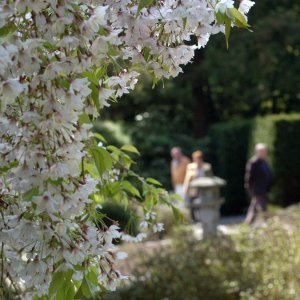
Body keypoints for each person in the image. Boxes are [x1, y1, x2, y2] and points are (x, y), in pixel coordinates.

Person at [244, 143, 272, 224]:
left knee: (254, 206)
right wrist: (248, 186)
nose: (265, 153)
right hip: (257, 188)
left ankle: (248, 222)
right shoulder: (254, 162)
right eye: (263, 151)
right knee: (262, 206)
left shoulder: (264, 161)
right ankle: (267, 222)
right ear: (258, 152)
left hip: (264, 188)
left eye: (265, 151)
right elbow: (249, 176)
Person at [184, 150, 213, 221]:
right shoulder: (190, 167)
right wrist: (186, 190)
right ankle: (194, 220)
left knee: (203, 205)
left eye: (198, 159)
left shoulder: (207, 167)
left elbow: (210, 178)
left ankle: (204, 219)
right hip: (193, 190)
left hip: (204, 190)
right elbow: (187, 179)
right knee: (193, 206)